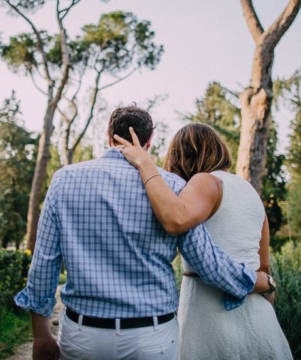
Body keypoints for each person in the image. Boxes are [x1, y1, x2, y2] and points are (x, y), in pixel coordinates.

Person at [15, 106, 271, 360]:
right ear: (149, 141)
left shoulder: (64, 180)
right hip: (152, 337)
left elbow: (44, 263)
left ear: (109, 135)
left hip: (83, 334)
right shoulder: (173, 187)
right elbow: (208, 263)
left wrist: (41, 335)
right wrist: (257, 281)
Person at [115, 122, 292, 360]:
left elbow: (175, 219)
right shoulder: (250, 191)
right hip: (259, 314)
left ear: (182, 157)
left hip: (211, 313)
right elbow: (264, 268)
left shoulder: (206, 181)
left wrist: (145, 164)